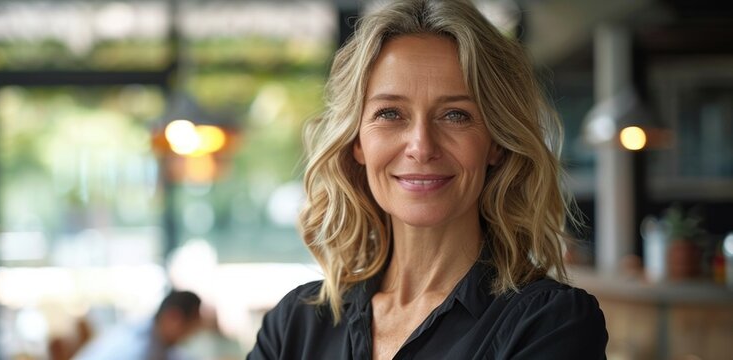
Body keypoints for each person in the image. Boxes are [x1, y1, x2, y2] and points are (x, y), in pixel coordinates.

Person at [247, 0, 608, 359]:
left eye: (455, 115)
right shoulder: (294, 324)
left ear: (496, 144)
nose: (421, 146)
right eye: (390, 113)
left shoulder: (550, 323)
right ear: (357, 141)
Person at [74, 290, 202, 360]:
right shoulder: (136, 349)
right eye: (193, 325)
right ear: (174, 318)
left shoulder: (155, 338)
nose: (194, 333)